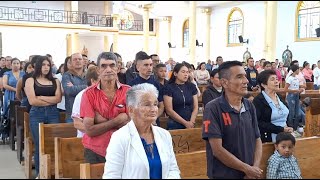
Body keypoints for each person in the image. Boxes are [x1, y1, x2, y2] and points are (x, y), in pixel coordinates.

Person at [103, 83, 181, 179]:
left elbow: (173, 169)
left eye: (155, 104)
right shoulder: (120, 137)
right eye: (147, 104)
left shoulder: (164, 135)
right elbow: (111, 176)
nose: (153, 109)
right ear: (131, 110)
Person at [202, 61, 262, 179]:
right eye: (239, 77)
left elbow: (257, 139)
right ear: (224, 82)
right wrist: (247, 169)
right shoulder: (213, 108)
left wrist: (254, 168)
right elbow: (217, 150)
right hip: (224, 175)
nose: (246, 81)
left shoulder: (249, 106)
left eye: (245, 76)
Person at [80, 52, 130, 164]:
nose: (108, 70)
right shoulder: (88, 94)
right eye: (103, 66)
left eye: (112, 65)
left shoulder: (128, 92)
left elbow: (133, 125)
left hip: (123, 148)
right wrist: (117, 120)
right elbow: (90, 131)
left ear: (118, 68)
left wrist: (101, 122)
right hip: (96, 150)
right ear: (98, 70)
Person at [24, 55, 62, 177]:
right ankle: (41, 173)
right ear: (38, 66)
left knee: (53, 143)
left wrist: (41, 97)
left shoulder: (55, 80)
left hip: (53, 113)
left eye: (48, 65)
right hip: (36, 113)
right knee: (40, 144)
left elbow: (58, 98)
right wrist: (49, 100)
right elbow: (32, 101)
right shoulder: (30, 80)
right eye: (44, 65)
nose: (46, 67)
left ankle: (53, 171)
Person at [253, 70, 293, 143]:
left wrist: (289, 127)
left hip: (285, 136)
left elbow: (287, 115)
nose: (276, 81)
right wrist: (281, 129)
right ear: (263, 85)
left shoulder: (280, 97)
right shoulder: (258, 100)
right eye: (272, 79)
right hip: (269, 138)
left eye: (277, 79)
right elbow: (258, 123)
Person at [129, 51, 165, 125]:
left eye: (151, 65)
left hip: (154, 123)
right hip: (138, 123)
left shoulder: (156, 84)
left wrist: (154, 118)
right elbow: (130, 107)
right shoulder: (132, 85)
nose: (149, 68)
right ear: (138, 67)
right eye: (146, 65)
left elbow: (161, 105)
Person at [163, 63, 198, 130]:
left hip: (191, 121)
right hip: (175, 122)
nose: (186, 74)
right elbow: (169, 110)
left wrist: (191, 122)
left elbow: (195, 107)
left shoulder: (191, 86)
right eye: (183, 72)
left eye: (187, 72)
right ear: (175, 74)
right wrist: (185, 123)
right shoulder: (168, 87)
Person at [72, 66, 99, 138]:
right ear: (93, 81)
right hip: (86, 140)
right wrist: (100, 130)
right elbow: (77, 123)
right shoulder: (81, 96)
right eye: (102, 79)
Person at [62, 53, 87, 123]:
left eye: (80, 59)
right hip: (72, 114)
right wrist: (87, 87)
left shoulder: (88, 75)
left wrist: (74, 87)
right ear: (71, 63)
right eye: (75, 59)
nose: (78, 61)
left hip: (88, 113)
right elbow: (69, 91)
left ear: (83, 61)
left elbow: (94, 89)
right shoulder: (66, 75)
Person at [284, 65, 304, 137]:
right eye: (298, 69)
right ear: (296, 70)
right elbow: (285, 89)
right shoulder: (290, 78)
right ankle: (291, 128)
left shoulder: (296, 78)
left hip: (296, 95)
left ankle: (295, 128)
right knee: (291, 112)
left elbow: (296, 86)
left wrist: (300, 89)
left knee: (296, 112)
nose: (299, 71)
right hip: (291, 96)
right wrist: (296, 90)